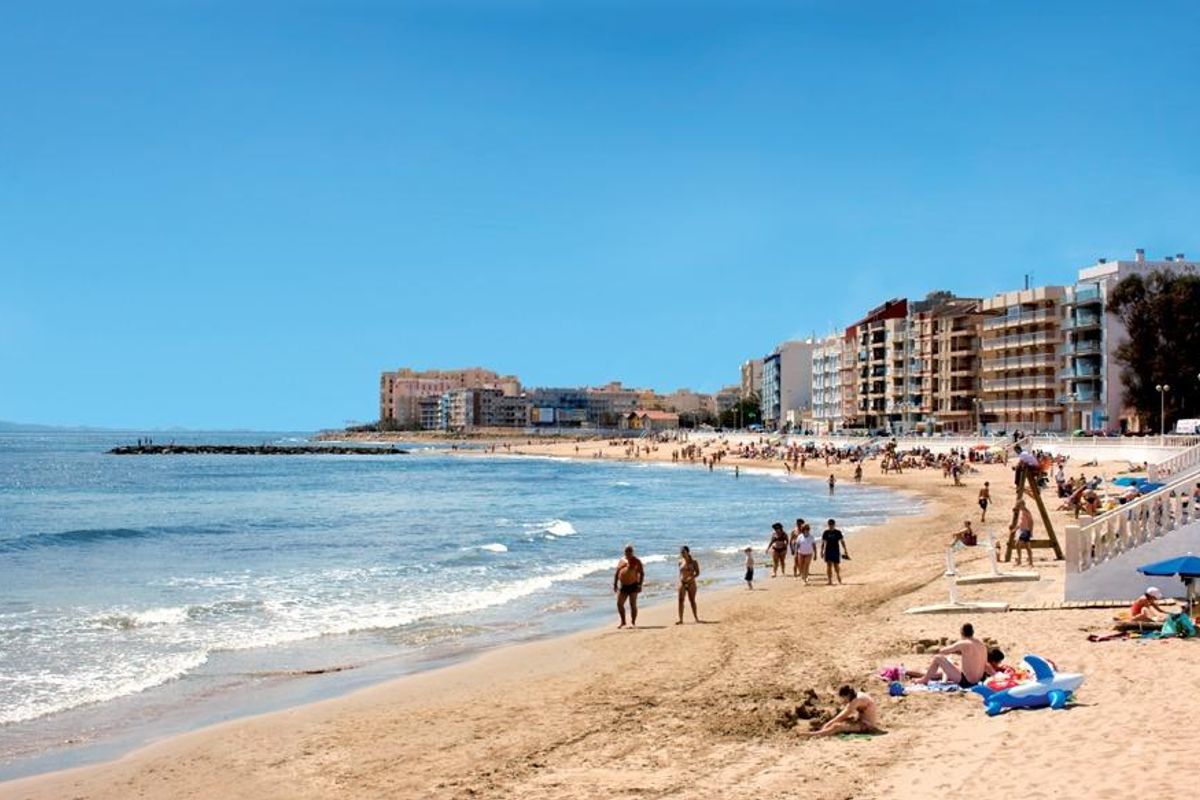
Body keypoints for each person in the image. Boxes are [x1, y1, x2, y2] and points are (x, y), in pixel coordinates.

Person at [915, 623, 989, 688]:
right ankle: (928, 676)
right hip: (979, 680)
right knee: (955, 665)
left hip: (966, 682)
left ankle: (924, 680)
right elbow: (984, 663)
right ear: (973, 632)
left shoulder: (964, 643)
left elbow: (943, 651)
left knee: (937, 658)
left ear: (961, 633)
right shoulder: (981, 644)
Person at [799, 686, 882, 737]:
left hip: (867, 725)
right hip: (863, 720)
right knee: (842, 722)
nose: (843, 700)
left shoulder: (856, 701)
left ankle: (814, 734)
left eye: (844, 697)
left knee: (837, 727)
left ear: (848, 695)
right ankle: (821, 731)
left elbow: (842, 716)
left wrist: (827, 725)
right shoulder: (858, 696)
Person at [613, 545, 644, 628]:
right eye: (626, 550)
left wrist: (640, 585)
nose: (628, 552)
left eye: (630, 551)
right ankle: (623, 621)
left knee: (632, 604)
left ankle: (633, 622)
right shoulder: (622, 560)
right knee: (619, 604)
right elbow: (617, 573)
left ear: (632, 552)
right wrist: (615, 584)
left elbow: (642, 573)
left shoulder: (636, 561)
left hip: (633, 585)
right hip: (623, 586)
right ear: (624, 551)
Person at [676, 546, 700, 624]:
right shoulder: (680, 562)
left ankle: (696, 618)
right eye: (681, 552)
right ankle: (681, 619)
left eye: (683, 552)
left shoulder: (694, 562)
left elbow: (697, 573)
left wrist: (691, 577)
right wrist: (680, 580)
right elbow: (680, 573)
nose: (682, 554)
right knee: (680, 600)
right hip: (682, 583)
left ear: (687, 552)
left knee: (692, 600)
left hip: (691, 583)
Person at [820, 518, 848, 585]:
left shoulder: (837, 532)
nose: (831, 526)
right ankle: (830, 580)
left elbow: (842, 541)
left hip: (836, 550)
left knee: (836, 566)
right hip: (828, 551)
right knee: (828, 566)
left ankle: (838, 576)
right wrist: (821, 551)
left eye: (832, 524)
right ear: (828, 525)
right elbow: (823, 542)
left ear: (834, 525)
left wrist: (845, 549)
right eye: (829, 524)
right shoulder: (826, 532)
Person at [1009, 499, 1034, 566]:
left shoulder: (1026, 512)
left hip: (1025, 530)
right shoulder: (1022, 512)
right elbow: (1020, 523)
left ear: (1022, 505)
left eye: (1018, 505)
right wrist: (1015, 529)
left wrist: (1031, 531)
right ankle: (1030, 562)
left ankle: (1020, 561)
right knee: (1027, 546)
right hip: (1023, 530)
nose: (1018, 506)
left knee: (1018, 544)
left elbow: (1031, 522)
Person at [793, 518, 816, 583]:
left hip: (809, 553)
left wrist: (815, 554)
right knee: (801, 565)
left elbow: (814, 546)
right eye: (805, 529)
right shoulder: (800, 537)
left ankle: (805, 578)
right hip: (801, 553)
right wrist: (795, 553)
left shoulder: (811, 537)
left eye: (807, 529)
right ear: (803, 530)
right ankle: (803, 575)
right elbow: (797, 545)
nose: (806, 530)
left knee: (806, 565)